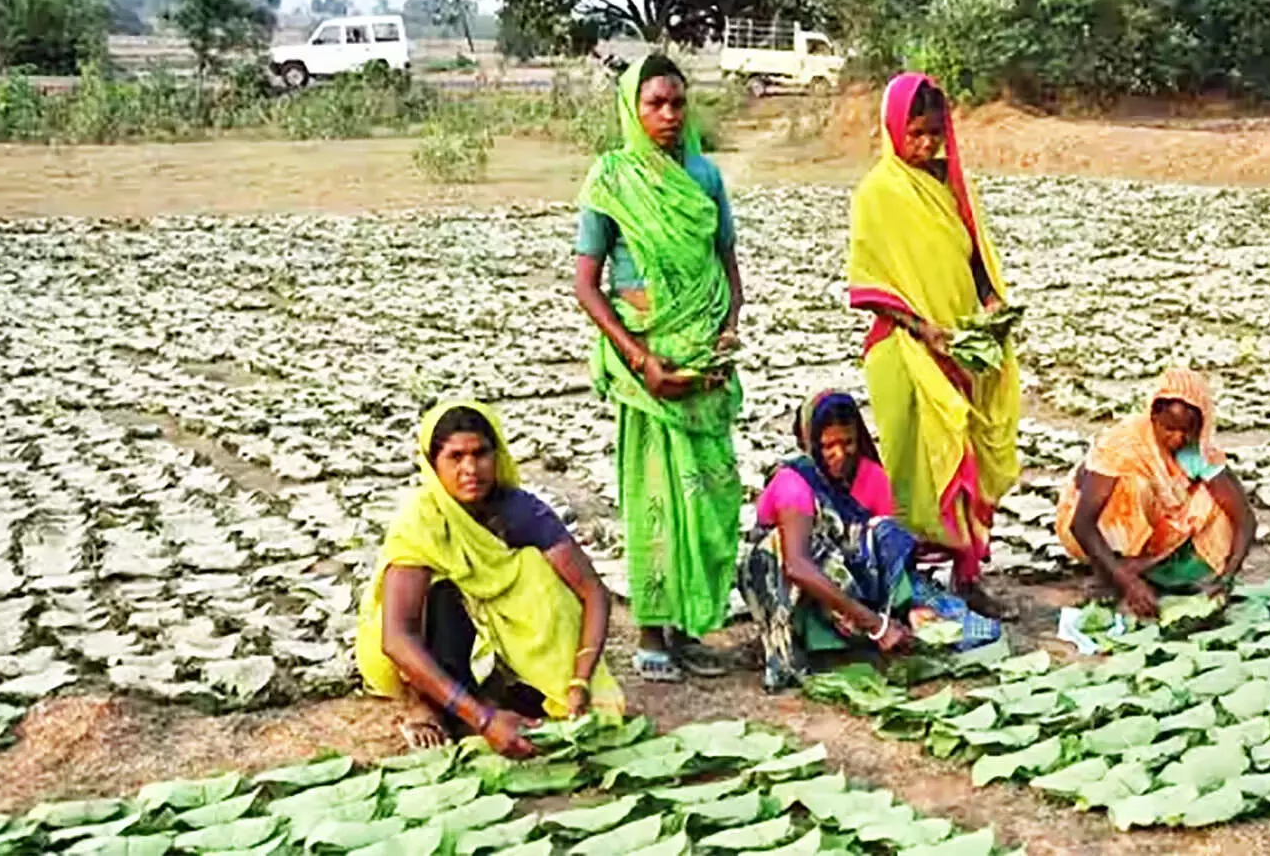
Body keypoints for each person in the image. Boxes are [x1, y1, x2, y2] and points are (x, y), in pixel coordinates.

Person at [572, 54, 744, 683]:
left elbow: (727, 261)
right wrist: (640, 358)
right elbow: (586, 284)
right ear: (633, 109)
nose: (669, 115)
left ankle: (689, 628)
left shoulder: (703, 175)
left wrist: (726, 334)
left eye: (677, 102)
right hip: (647, 361)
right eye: (655, 104)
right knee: (654, 498)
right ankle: (650, 633)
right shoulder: (612, 179)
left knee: (710, 496)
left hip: (703, 360)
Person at [356, 401, 623, 756]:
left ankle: (508, 691)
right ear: (433, 464)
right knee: (441, 591)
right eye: (455, 457)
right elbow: (397, 637)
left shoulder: (521, 511)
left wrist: (580, 678)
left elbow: (592, 592)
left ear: (497, 456)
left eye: (481, 454)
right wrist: (482, 720)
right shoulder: (421, 522)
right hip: (438, 644)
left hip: (501, 648)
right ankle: (429, 703)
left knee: (535, 570)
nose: (471, 469)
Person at [847, 73, 1021, 592]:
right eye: (915, 133)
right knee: (919, 469)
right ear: (894, 128)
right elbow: (872, 283)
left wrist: (990, 301)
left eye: (933, 133)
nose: (924, 145)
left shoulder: (951, 183)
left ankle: (968, 579)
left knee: (969, 459)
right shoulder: (878, 193)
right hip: (905, 350)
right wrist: (926, 330)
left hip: (963, 344)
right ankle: (907, 585)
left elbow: (975, 253)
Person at [739, 391, 1003, 692]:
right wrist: (875, 625)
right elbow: (797, 566)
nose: (840, 454)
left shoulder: (872, 478)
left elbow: (890, 557)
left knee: (888, 536)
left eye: (848, 442)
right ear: (809, 442)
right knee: (802, 548)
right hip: (796, 589)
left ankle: (865, 634)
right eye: (827, 446)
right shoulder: (794, 483)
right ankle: (807, 638)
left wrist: (908, 606)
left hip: (854, 591)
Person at [1055, 367, 1259, 618]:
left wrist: (1228, 576)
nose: (1178, 439)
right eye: (1169, 429)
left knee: (1215, 507)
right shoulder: (1124, 444)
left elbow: (1244, 518)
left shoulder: (1199, 451)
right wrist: (1127, 584)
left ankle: (1144, 569)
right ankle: (1110, 573)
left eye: (1187, 430)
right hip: (1094, 529)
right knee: (1132, 488)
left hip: (1155, 528)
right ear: (1154, 416)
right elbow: (1082, 524)